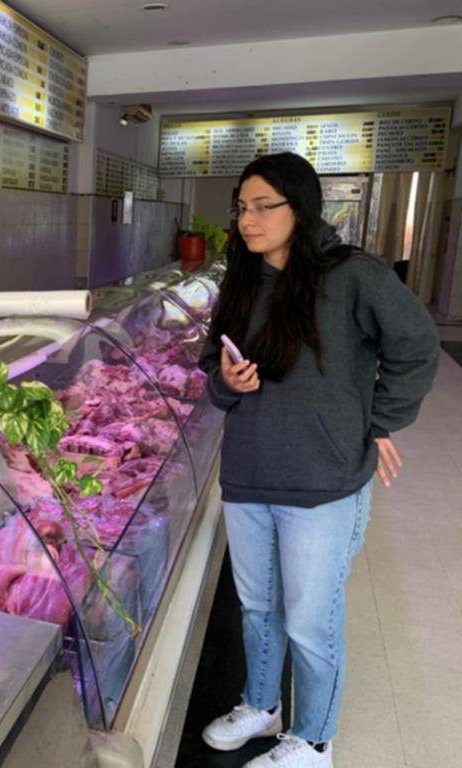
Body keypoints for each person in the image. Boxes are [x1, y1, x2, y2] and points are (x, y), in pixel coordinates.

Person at [198, 153, 439, 768]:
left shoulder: (353, 275)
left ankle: (313, 739)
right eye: (241, 208)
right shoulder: (241, 279)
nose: (247, 220)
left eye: (263, 207)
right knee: (258, 607)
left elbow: (417, 345)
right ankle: (261, 705)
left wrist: (378, 422)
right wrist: (228, 382)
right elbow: (211, 373)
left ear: (300, 209)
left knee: (310, 619)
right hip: (248, 473)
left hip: (323, 483)